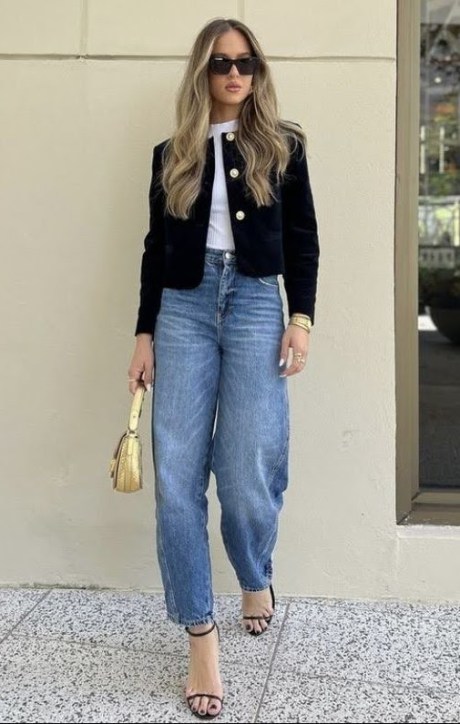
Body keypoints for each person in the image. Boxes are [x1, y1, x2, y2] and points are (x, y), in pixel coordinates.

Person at [127, 16, 319, 720]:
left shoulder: (283, 146)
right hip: (182, 308)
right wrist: (144, 333)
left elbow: (303, 238)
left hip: (256, 305)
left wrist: (301, 318)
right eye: (220, 63)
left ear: (258, 71)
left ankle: (253, 572)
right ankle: (199, 633)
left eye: (245, 62)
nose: (234, 73)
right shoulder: (171, 153)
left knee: (247, 472)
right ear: (202, 73)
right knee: (177, 477)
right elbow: (155, 247)